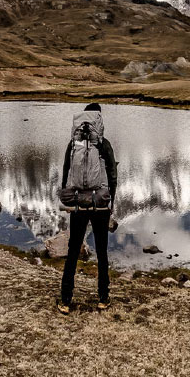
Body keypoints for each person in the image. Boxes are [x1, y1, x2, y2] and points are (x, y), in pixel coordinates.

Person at [57, 102, 117, 314]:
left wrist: (69, 199)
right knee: (101, 251)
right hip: (100, 204)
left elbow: (66, 174)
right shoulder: (104, 144)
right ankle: (103, 297)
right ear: (99, 120)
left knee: (73, 250)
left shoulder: (73, 144)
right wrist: (111, 203)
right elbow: (112, 176)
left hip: (79, 203)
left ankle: (65, 299)